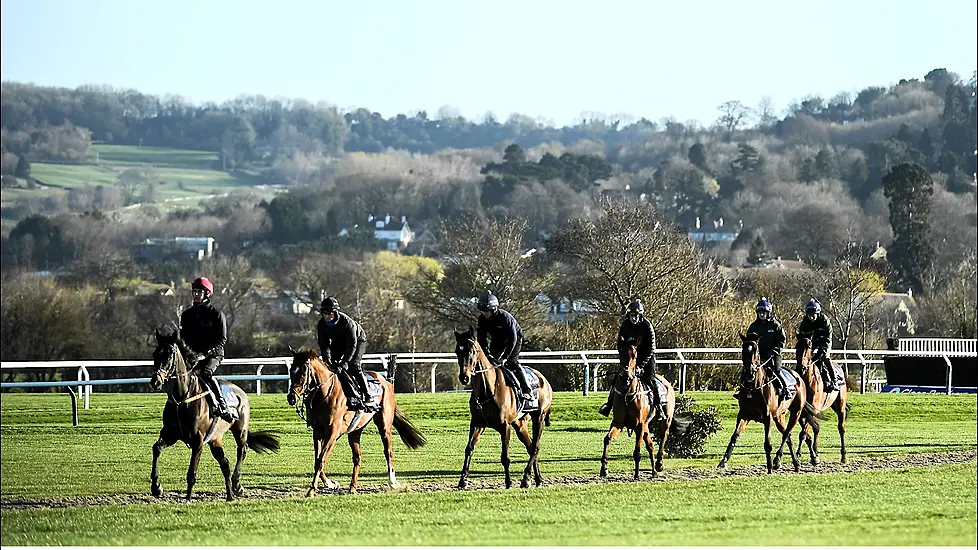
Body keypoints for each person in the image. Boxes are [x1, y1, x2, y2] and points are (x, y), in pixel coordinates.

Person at [178, 276, 234, 422]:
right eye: (195, 291)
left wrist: (204, 354)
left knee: (205, 373)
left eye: (199, 292)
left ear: (207, 294)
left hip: (213, 354)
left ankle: (221, 404)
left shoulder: (216, 315)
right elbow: (183, 338)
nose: (196, 294)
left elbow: (222, 340)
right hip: (193, 355)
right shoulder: (186, 315)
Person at [599, 299, 664, 419]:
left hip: (646, 358)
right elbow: (620, 344)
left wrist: (640, 366)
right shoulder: (625, 325)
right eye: (631, 315)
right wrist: (625, 359)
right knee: (617, 379)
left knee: (651, 380)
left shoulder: (647, 326)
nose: (633, 318)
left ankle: (659, 407)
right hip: (629, 358)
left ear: (640, 315)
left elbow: (651, 349)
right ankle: (609, 405)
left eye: (636, 316)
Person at [317, 296, 379, 412]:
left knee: (353, 366)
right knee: (333, 366)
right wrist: (327, 360)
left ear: (335, 312)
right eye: (324, 313)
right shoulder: (321, 324)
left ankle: (368, 395)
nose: (326, 316)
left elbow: (352, 346)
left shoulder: (347, 323)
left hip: (357, 341)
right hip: (338, 342)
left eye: (329, 313)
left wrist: (344, 363)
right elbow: (324, 345)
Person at [476, 291, 532, 400]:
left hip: (514, 339)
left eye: (487, 311)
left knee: (512, 363)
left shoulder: (505, 317)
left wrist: (505, 357)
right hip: (497, 340)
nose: (485, 314)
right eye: (483, 311)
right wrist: (487, 354)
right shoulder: (482, 319)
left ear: (494, 309)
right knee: (492, 363)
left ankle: (526, 389)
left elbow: (513, 339)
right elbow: (481, 338)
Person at [739, 297, 790, 400]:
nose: (762, 314)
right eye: (760, 312)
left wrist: (775, 351)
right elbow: (749, 341)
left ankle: (784, 389)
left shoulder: (776, 325)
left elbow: (782, 340)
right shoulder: (753, 326)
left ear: (768, 313)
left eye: (764, 312)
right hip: (758, 355)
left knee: (777, 370)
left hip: (773, 354)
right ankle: (742, 391)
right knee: (746, 371)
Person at [797, 297, 837, 392]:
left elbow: (828, 338)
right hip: (811, 343)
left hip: (824, 342)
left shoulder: (824, 321)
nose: (811, 317)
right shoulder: (805, 322)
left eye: (813, 315)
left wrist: (823, 349)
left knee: (824, 358)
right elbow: (802, 336)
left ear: (818, 314)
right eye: (809, 315)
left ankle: (833, 380)